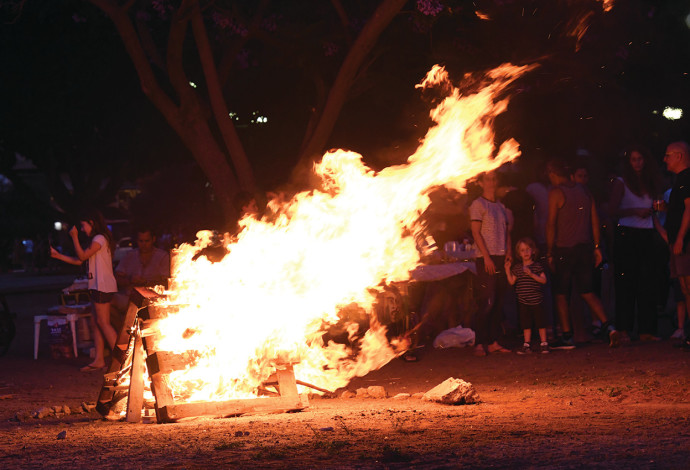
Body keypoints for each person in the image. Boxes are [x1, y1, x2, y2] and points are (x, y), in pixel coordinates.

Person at [545, 159, 620, 349]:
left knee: (561, 294)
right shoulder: (584, 191)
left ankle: (567, 336)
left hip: (564, 250)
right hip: (585, 248)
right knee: (587, 291)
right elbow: (595, 220)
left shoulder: (556, 193)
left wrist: (549, 251)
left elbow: (551, 224)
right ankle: (609, 327)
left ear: (553, 174)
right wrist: (596, 246)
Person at [50, 210, 117, 371]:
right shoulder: (98, 239)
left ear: (91, 222)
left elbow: (82, 255)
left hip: (102, 286)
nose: (81, 229)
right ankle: (99, 360)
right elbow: (80, 260)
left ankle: (126, 359)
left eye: (83, 225)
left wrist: (74, 237)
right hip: (97, 286)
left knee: (103, 323)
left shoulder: (99, 239)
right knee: (96, 323)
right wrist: (58, 256)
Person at [608, 146, 663, 342]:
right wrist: (634, 211)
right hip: (627, 233)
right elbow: (612, 211)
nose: (637, 163)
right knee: (625, 283)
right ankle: (624, 328)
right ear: (628, 162)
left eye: (640, 159)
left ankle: (646, 330)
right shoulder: (621, 183)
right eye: (633, 159)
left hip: (646, 233)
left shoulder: (650, 182)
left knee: (647, 282)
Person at [469, 170, 512, 356]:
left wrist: (509, 252)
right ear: (480, 182)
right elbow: (476, 232)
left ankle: (493, 341)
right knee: (487, 301)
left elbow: (507, 232)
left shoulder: (501, 207)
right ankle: (480, 342)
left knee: (499, 301)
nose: (492, 182)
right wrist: (486, 257)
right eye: (487, 179)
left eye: (494, 178)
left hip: (501, 257)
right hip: (486, 258)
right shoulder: (478, 205)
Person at [662, 141, 690, 351]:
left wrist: (680, 238)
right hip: (678, 242)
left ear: (679, 156)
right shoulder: (679, 180)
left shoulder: (686, 178)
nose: (665, 159)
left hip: (686, 243)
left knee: (688, 286)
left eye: (668, 155)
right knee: (684, 288)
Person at [111, 228, 170, 319]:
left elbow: (166, 281)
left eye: (147, 241)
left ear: (153, 239)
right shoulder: (130, 256)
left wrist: (146, 282)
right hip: (129, 298)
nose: (144, 244)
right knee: (105, 303)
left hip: (154, 299)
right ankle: (122, 330)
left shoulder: (162, 256)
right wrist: (129, 279)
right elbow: (117, 277)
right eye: (141, 241)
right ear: (137, 241)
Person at [505, 237, 549, 354]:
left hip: (537, 300)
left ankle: (544, 343)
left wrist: (532, 274)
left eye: (528, 249)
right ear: (519, 253)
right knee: (526, 323)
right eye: (522, 250)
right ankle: (527, 344)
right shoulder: (518, 268)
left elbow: (544, 280)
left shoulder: (537, 266)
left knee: (540, 322)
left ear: (533, 251)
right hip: (523, 301)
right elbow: (511, 281)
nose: (526, 252)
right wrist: (507, 270)